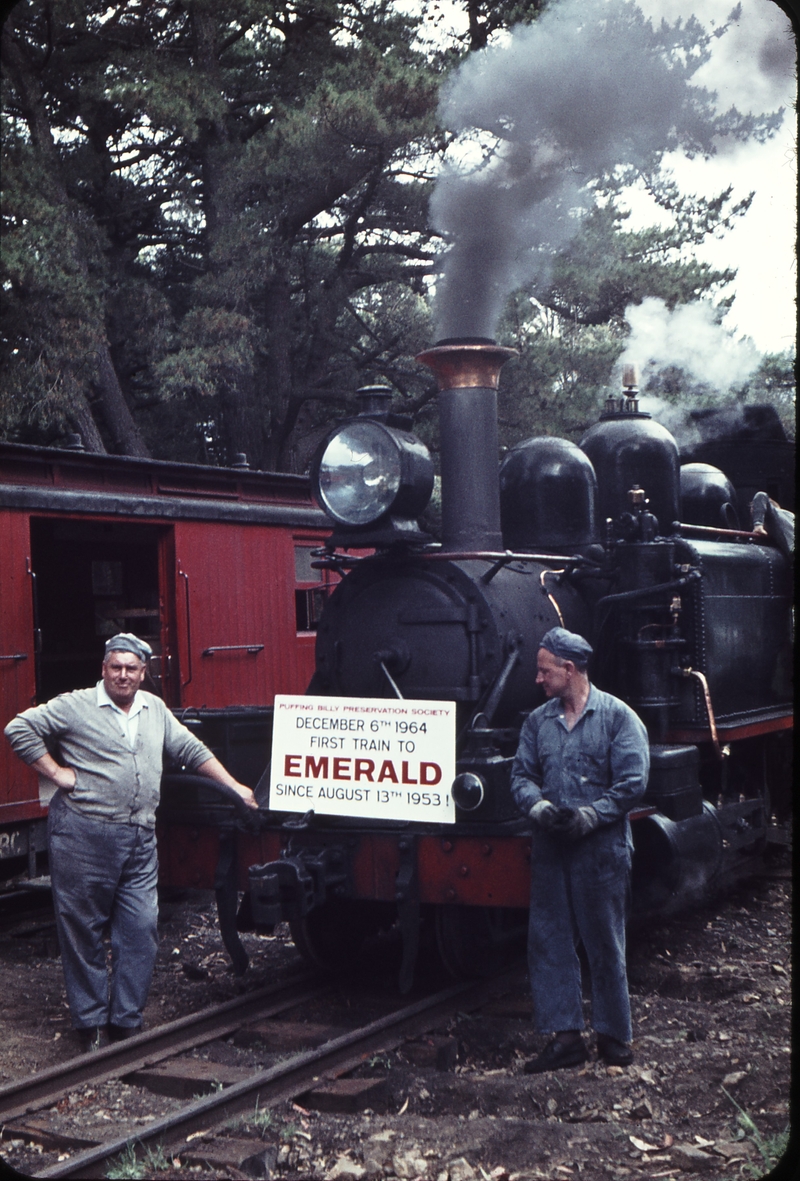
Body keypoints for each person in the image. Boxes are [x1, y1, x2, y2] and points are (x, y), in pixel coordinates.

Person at [4, 633, 258, 1052]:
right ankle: (89, 1025)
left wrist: (234, 787)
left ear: (143, 673)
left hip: (139, 836)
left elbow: (191, 749)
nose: (123, 675)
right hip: (84, 834)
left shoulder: (153, 709)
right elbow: (20, 728)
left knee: (140, 928)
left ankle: (125, 1022)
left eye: (131, 668)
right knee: (82, 929)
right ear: (103, 669)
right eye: (115, 667)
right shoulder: (76, 704)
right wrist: (57, 772)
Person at [510, 626, 649, 1073]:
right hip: (552, 848)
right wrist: (540, 808)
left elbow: (632, 782)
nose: (538, 679)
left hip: (601, 849)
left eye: (544, 670)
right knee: (549, 941)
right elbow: (521, 777)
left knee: (604, 941)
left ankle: (614, 1038)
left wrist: (590, 816)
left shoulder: (619, 718)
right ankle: (565, 1039)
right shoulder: (538, 723)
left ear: (569, 670)